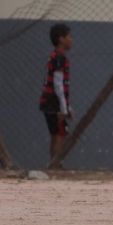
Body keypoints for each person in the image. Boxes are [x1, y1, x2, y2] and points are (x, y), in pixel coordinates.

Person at [41, 23, 76, 163]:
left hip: (50, 102)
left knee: (57, 134)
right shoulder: (60, 58)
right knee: (60, 134)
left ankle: (54, 163)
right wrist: (63, 108)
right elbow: (58, 84)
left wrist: (67, 107)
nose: (71, 39)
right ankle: (55, 164)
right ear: (61, 39)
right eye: (69, 36)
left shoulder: (54, 56)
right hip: (53, 103)